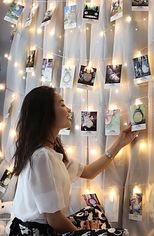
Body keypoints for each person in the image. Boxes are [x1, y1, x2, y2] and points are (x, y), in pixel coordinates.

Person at [9, 86, 138, 235]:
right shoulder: (41, 157)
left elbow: (89, 172)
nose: (69, 109)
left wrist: (120, 143)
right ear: (46, 114)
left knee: (94, 212)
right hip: (36, 232)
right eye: (62, 104)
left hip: (48, 227)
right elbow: (55, 219)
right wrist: (82, 234)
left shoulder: (52, 153)